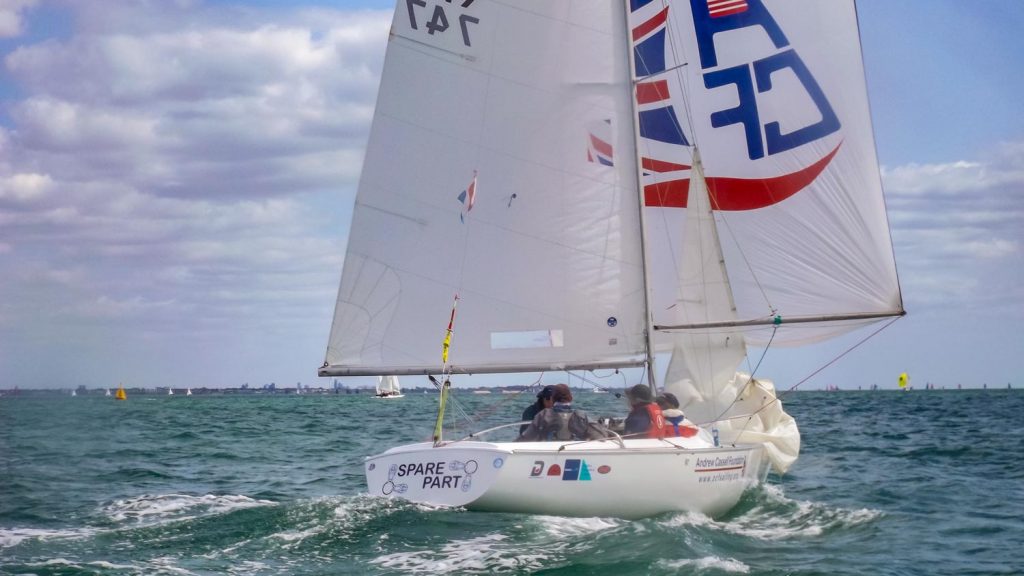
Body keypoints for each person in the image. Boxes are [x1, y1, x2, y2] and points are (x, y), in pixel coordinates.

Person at [517, 384, 607, 442]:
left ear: (553, 399)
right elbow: (601, 436)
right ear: (571, 398)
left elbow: (526, 438)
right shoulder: (581, 415)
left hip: (547, 453)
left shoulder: (544, 415)